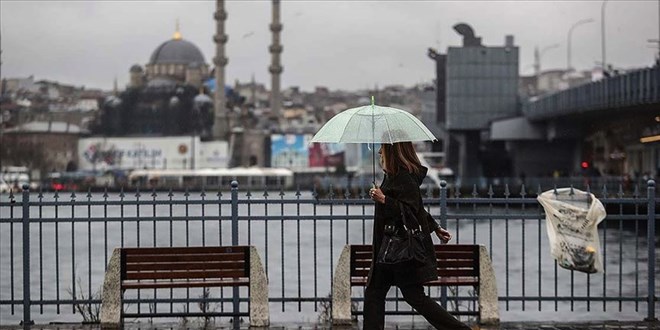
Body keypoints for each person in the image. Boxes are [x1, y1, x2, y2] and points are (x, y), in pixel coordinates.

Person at [366, 142, 472, 330]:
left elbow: (411, 211)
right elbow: (415, 208)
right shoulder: (392, 176)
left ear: (393, 150)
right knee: (378, 293)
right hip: (390, 249)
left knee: (410, 296)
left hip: (398, 248)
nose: (380, 151)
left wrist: (384, 199)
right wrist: (435, 227)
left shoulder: (403, 177)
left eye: (383, 147)